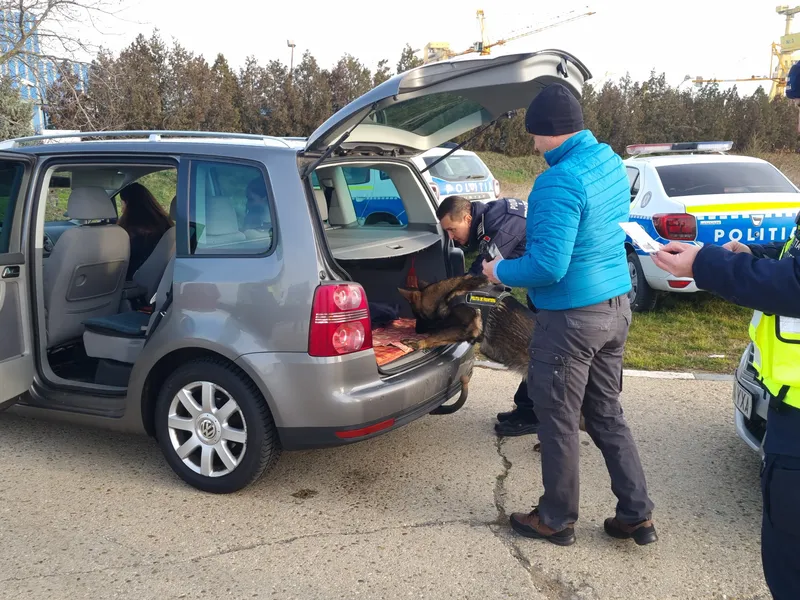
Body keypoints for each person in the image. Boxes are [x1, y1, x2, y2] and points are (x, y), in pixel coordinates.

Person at [482, 83, 657, 546]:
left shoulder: (558, 181)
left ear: (546, 132)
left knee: (557, 417)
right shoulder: (608, 163)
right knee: (606, 414)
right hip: (616, 309)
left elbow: (546, 266)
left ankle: (556, 518)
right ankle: (636, 515)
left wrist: (498, 270)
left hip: (571, 321)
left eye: (534, 137)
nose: (534, 146)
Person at [650, 63, 800, 600]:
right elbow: (792, 260)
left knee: (791, 563)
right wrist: (746, 254)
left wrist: (707, 264)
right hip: (784, 400)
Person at [436, 194, 540, 437]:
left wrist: (447, 295)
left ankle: (533, 416)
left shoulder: (502, 223)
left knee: (537, 354)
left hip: (557, 290)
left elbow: (483, 275)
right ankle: (526, 408)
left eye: (452, 229)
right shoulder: (489, 218)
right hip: (540, 287)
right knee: (535, 351)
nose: (451, 237)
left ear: (467, 217)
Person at [118, 182, 173, 279]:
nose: (122, 210)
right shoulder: (165, 224)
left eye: (122, 204)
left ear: (129, 204)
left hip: (132, 283)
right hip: (157, 281)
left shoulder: (130, 232)